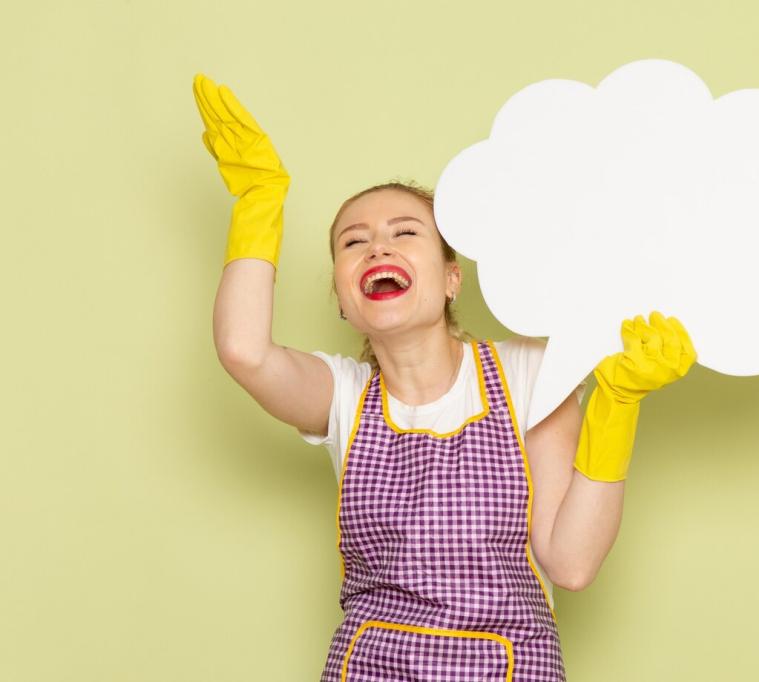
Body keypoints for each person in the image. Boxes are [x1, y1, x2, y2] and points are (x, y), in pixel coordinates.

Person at [193, 73, 697, 682]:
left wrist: (618, 403)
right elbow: (244, 351)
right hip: (369, 667)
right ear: (343, 300)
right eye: (353, 242)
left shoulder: (529, 371)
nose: (378, 248)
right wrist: (259, 200)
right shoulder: (343, 395)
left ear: (452, 277)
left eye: (405, 233)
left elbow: (571, 563)